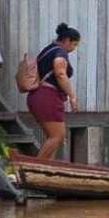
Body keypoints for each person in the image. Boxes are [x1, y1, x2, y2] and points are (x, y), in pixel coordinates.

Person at [28, 23, 82, 159]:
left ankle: (47, 168)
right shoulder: (60, 52)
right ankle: (35, 167)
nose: (74, 49)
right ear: (67, 40)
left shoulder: (48, 50)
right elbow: (60, 73)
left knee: (52, 137)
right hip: (47, 97)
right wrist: (72, 96)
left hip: (37, 96)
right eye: (74, 44)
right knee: (58, 136)